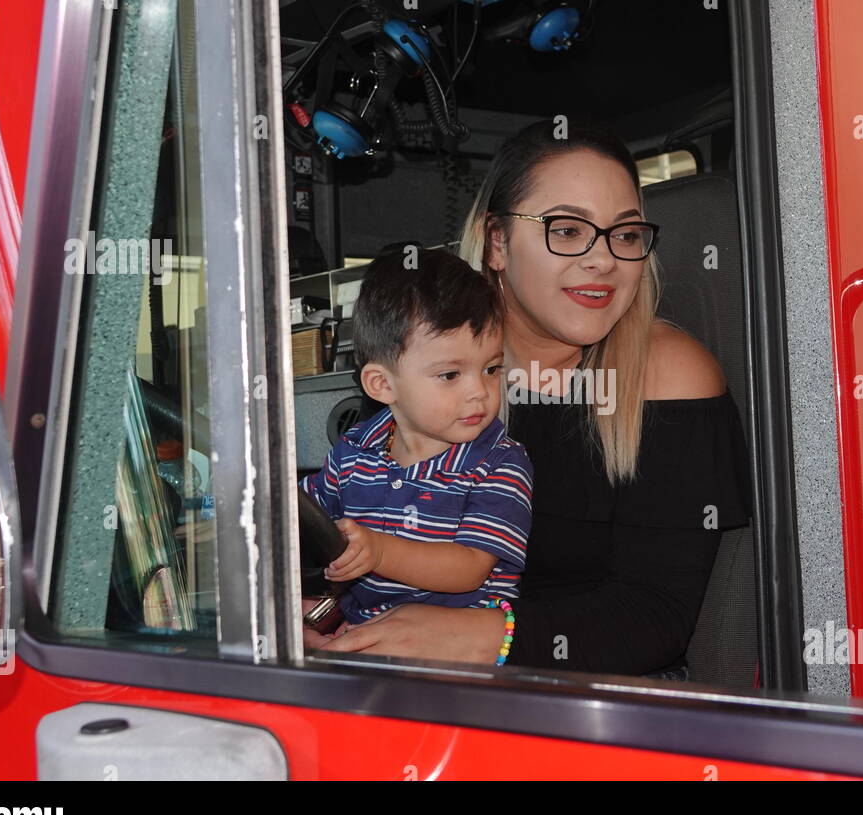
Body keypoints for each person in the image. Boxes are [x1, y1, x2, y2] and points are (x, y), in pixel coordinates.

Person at [314, 120, 750, 677]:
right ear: (497, 241)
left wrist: (473, 639)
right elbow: (363, 511)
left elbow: (655, 616)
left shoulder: (669, 376)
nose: (603, 260)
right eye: (567, 230)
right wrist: (318, 606)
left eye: (626, 234)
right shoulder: (433, 360)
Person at [300, 248, 533, 635]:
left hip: (460, 651)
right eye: (450, 375)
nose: (480, 391)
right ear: (382, 384)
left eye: (492, 369)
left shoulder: (500, 463)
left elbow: (469, 567)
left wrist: (378, 551)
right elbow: (308, 520)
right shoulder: (353, 452)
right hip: (368, 634)